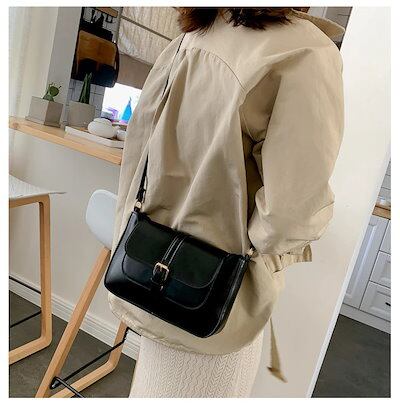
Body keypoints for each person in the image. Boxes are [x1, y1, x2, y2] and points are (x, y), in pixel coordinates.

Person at [109, 7, 344, 397]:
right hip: (219, 300)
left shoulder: (193, 37)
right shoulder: (305, 52)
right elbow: (291, 216)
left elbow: (137, 159)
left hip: (146, 275)